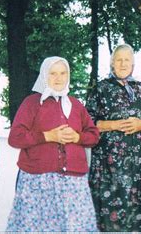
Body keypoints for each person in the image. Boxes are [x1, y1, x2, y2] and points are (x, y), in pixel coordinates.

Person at [7, 56, 99, 232]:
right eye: (53, 73)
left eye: (63, 73)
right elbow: (15, 137)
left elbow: (93, 136)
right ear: (44, 76)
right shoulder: (32, 103)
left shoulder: (76, 105)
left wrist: (77, 137)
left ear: (68, 75)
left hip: (73, 182)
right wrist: (47, 136)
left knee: (74, 228)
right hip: (38, 180)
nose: (58, 78)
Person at [87, 44, 141, 232]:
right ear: (112, 63)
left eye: (127, 60)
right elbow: (87, 123)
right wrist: (112, 125)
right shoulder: (101, 89)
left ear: (133, 65)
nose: (123, 63)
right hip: (108, 169)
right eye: (119, 60)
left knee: (140, 218)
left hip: (138, 170)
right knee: (110, 218)